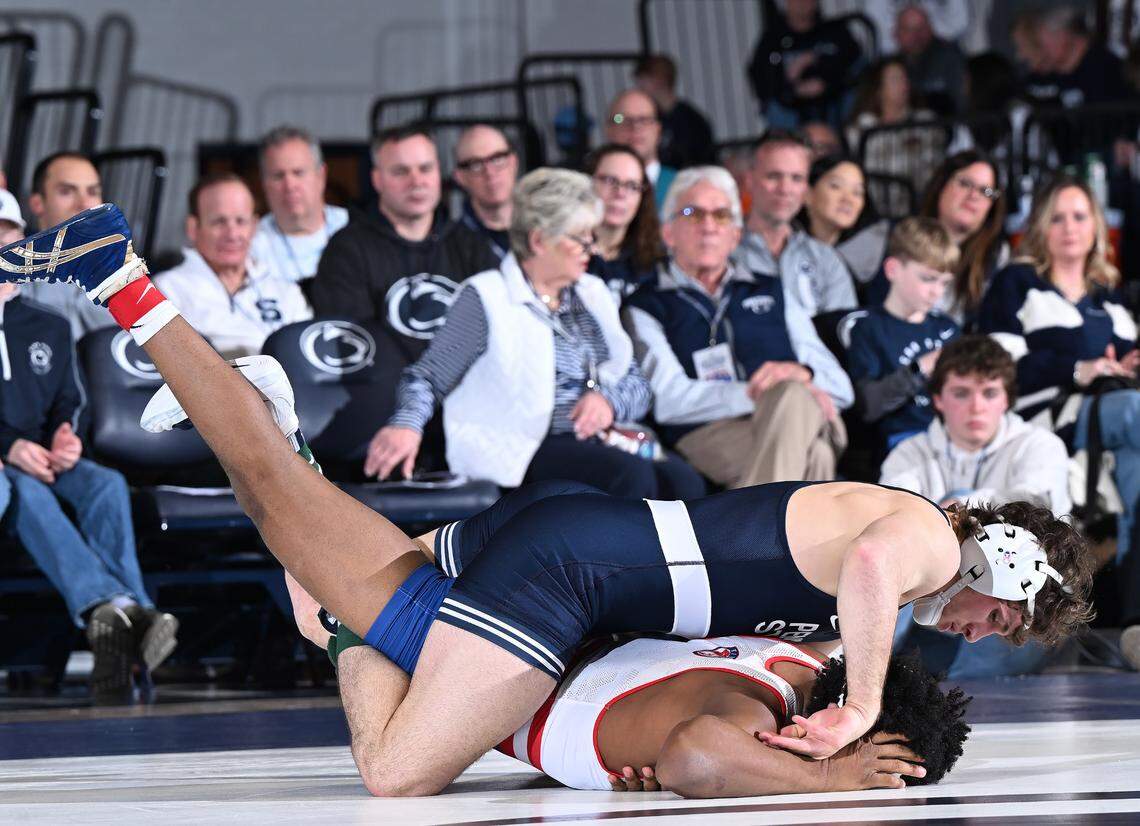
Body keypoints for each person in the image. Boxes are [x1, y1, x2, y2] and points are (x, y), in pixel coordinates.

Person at [0, 201, 1094, 794]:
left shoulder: (855, 569)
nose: (974, 627)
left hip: (563, 543)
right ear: (1008, 565)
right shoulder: (921, 543)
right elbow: (864, 582)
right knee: (395, 774)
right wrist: (853, 725)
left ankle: (122, 282)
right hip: (561, 585)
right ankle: (346, 615)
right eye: (1000, 616)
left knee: (271, 488)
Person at [365, 168, 704, 500]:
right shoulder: (487, 296)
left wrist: (608, 403)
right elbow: (428, 377)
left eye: (592, 237)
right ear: (539, 240)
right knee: (629, 475)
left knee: (685, 482)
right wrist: (406, 425)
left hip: (598, 439)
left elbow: (637, 385)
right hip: (520, 443)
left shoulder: (591, 294)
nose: (593, 249)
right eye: (580, 238)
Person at [0, 201, 176, 704]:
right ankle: (122, 607)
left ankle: (119, 617)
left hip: (43, 455)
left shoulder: (47, 322)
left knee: (105, 484)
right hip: (12, 464)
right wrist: (11, 447)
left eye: (7, 233)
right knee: (27, 492)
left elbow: (69, 398)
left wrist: (64, 433)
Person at [624, 166, 853, 487]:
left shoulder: (772, 291)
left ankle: (760, 535)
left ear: (735, 235)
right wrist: (766, 395)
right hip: (707, 431)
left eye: (721, 215)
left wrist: (804, 376)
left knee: (796, 402)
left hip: (793, 418)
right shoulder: (646, 304)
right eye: (692, 213)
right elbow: (669, 400)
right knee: (815, 452)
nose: (708, 226)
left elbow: (841, 387)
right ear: (668, 232)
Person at [497, 639, 961, 796]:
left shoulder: (806, 653)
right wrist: (827, 775)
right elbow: (690, 757)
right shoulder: (755, 716)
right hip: (495, 693)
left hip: (541, 636)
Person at [884, 335, 1074, 678]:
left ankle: (887, 673)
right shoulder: (909, 454)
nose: (976, 406)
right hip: (932, 601)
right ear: (939, 399)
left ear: (1007, 401)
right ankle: (856, 670)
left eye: (989, 393)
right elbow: (893, 527)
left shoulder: (1039, 445)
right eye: (961, 393)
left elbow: (1036, 504)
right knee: (891, 554)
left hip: (999, 614)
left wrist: (956, 512)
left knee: (961, 512)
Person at [978, 176, 1139, 578]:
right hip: (1046, 412)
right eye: (1058, 219)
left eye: (1079, 217)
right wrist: (1075, 370)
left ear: (1096, 227)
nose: (1070, 228)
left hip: (1112, 417)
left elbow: (1118, 365)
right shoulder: (1017, 282)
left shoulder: (1109, 296)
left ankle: (1132, 608)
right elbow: (1000, 367)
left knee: (1136, 466)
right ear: (1040, 229)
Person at [310, 125, 499, 345]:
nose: (416, 181)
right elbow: (350, 346)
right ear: (377, 180)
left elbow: (500, 328)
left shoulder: (470, 245)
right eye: (401, 171)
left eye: (425, 168)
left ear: (438, 172)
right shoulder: (346, 252)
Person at [153, 173, 311, 359]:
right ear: (193, 228)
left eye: (241, 221)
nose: (232, 234)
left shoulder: (288, 293)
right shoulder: (165, 291)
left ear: (254, 227)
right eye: (219, 222)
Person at [845, 218, 960, 453]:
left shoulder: (948, 329)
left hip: (955, 438)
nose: (936, 292)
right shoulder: (867, 328)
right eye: (927, 279)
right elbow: (868, 405)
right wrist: (920, 369)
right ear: (893, 270)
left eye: (944, 283)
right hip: (902, 441)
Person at [865, 151, 1009, 326]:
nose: (974, 196)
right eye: (965, 183)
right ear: (941, 184)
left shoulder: (997, 255)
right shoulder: (888, 234)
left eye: (986, 191)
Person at [735, 131, 857, 317]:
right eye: (774, 176)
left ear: (806, 188)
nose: (785, 189)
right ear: (749, 181)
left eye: (797, 178)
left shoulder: (827, 259)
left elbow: (841, 336)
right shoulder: (721, 256)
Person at [22, 152, 115, 339]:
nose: (84, 204)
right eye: (67, 191)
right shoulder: (12, 273)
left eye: (92, 192)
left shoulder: (124, 272)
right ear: (37, 203)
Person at [249, 125, 349, 288]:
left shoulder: (354, 227)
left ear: (321, 176)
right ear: (264, 183)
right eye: (278, 176)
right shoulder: (250, 244)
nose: (289, 185)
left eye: (298, 173)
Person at [747, 0, 863, 130]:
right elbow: (763, 80)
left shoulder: (834, 31)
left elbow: (854, 64)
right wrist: (794, 89)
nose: (803, 3)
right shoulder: (772, 40)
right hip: (790, 107)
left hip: (833, 102)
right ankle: (792, 146)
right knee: (775, 108)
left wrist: (826, 82)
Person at [845, 57, 940, 204]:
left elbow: (932, 163)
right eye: (895, 80)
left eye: (905, 78)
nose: (904, 85)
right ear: (878, 89)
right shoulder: (861, 128)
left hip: (923, 200)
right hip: (880, 204)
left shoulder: (925, 120)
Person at [584, 144, 663, 301]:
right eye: (609, 180)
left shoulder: (657, 261)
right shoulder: (564, 254)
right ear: (587, 182)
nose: (620, 193)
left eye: (632, 186)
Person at [800, 154, 887, 287]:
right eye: (836, 186)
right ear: (807, 194)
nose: (848, 199)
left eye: (857, 192)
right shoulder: (785, 248)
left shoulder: (866, 258)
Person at [633, 53, 716, 169]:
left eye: (643, 82)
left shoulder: (691, 121)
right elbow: (617, 118)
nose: (639, 88)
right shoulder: (654, 117)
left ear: (658, 80)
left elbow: (696, 161)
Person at [452, 124, 519, 262]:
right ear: (460, 177)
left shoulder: (549, 229)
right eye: (476, 164)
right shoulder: (451, 250)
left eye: (497, 159)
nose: (490, 172)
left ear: (514, 162)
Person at [604, 89, 677, 211]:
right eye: (622, 119)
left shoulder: (682, 186)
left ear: (658, 131)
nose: (635, 127)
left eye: (644, 120)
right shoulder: (594, 189)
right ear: (608, 129)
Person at [894, 3, 966, 116]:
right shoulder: (890, 66)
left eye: (921, 28)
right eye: (909, 29)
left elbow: (960, 102)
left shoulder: (950, 58)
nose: (916, 36)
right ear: (896, 34)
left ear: (931, 30)